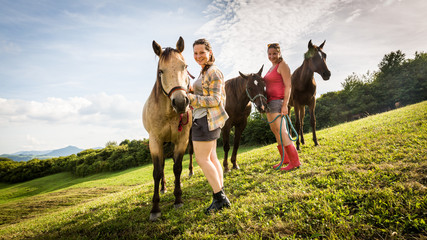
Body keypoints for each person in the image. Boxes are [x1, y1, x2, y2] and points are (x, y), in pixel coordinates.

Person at [187, 38, 230, 213]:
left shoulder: (214, 72)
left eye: (202, 52)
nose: (198, 56)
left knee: (202, 159)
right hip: (205, 118)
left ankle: (219, 198)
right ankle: (220, 193)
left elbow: (215, 100)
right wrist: (191, 90)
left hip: (206, 119)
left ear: (210, 52)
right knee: (211, 158)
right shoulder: (204, 72)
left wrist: (190, 98)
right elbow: (204, 91)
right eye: (195, 53)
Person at [264, 43, 301, 171]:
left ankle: (295, 162)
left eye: (275, 53)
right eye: (270, 54)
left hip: (277, 102)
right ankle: (285, 158)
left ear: (279, 53)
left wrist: (285, 105)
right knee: (275, 131)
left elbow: (288, 86)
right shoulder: (271, 68)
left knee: (282, 131)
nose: (272, 56)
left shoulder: (283, 65)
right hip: (269, 103)